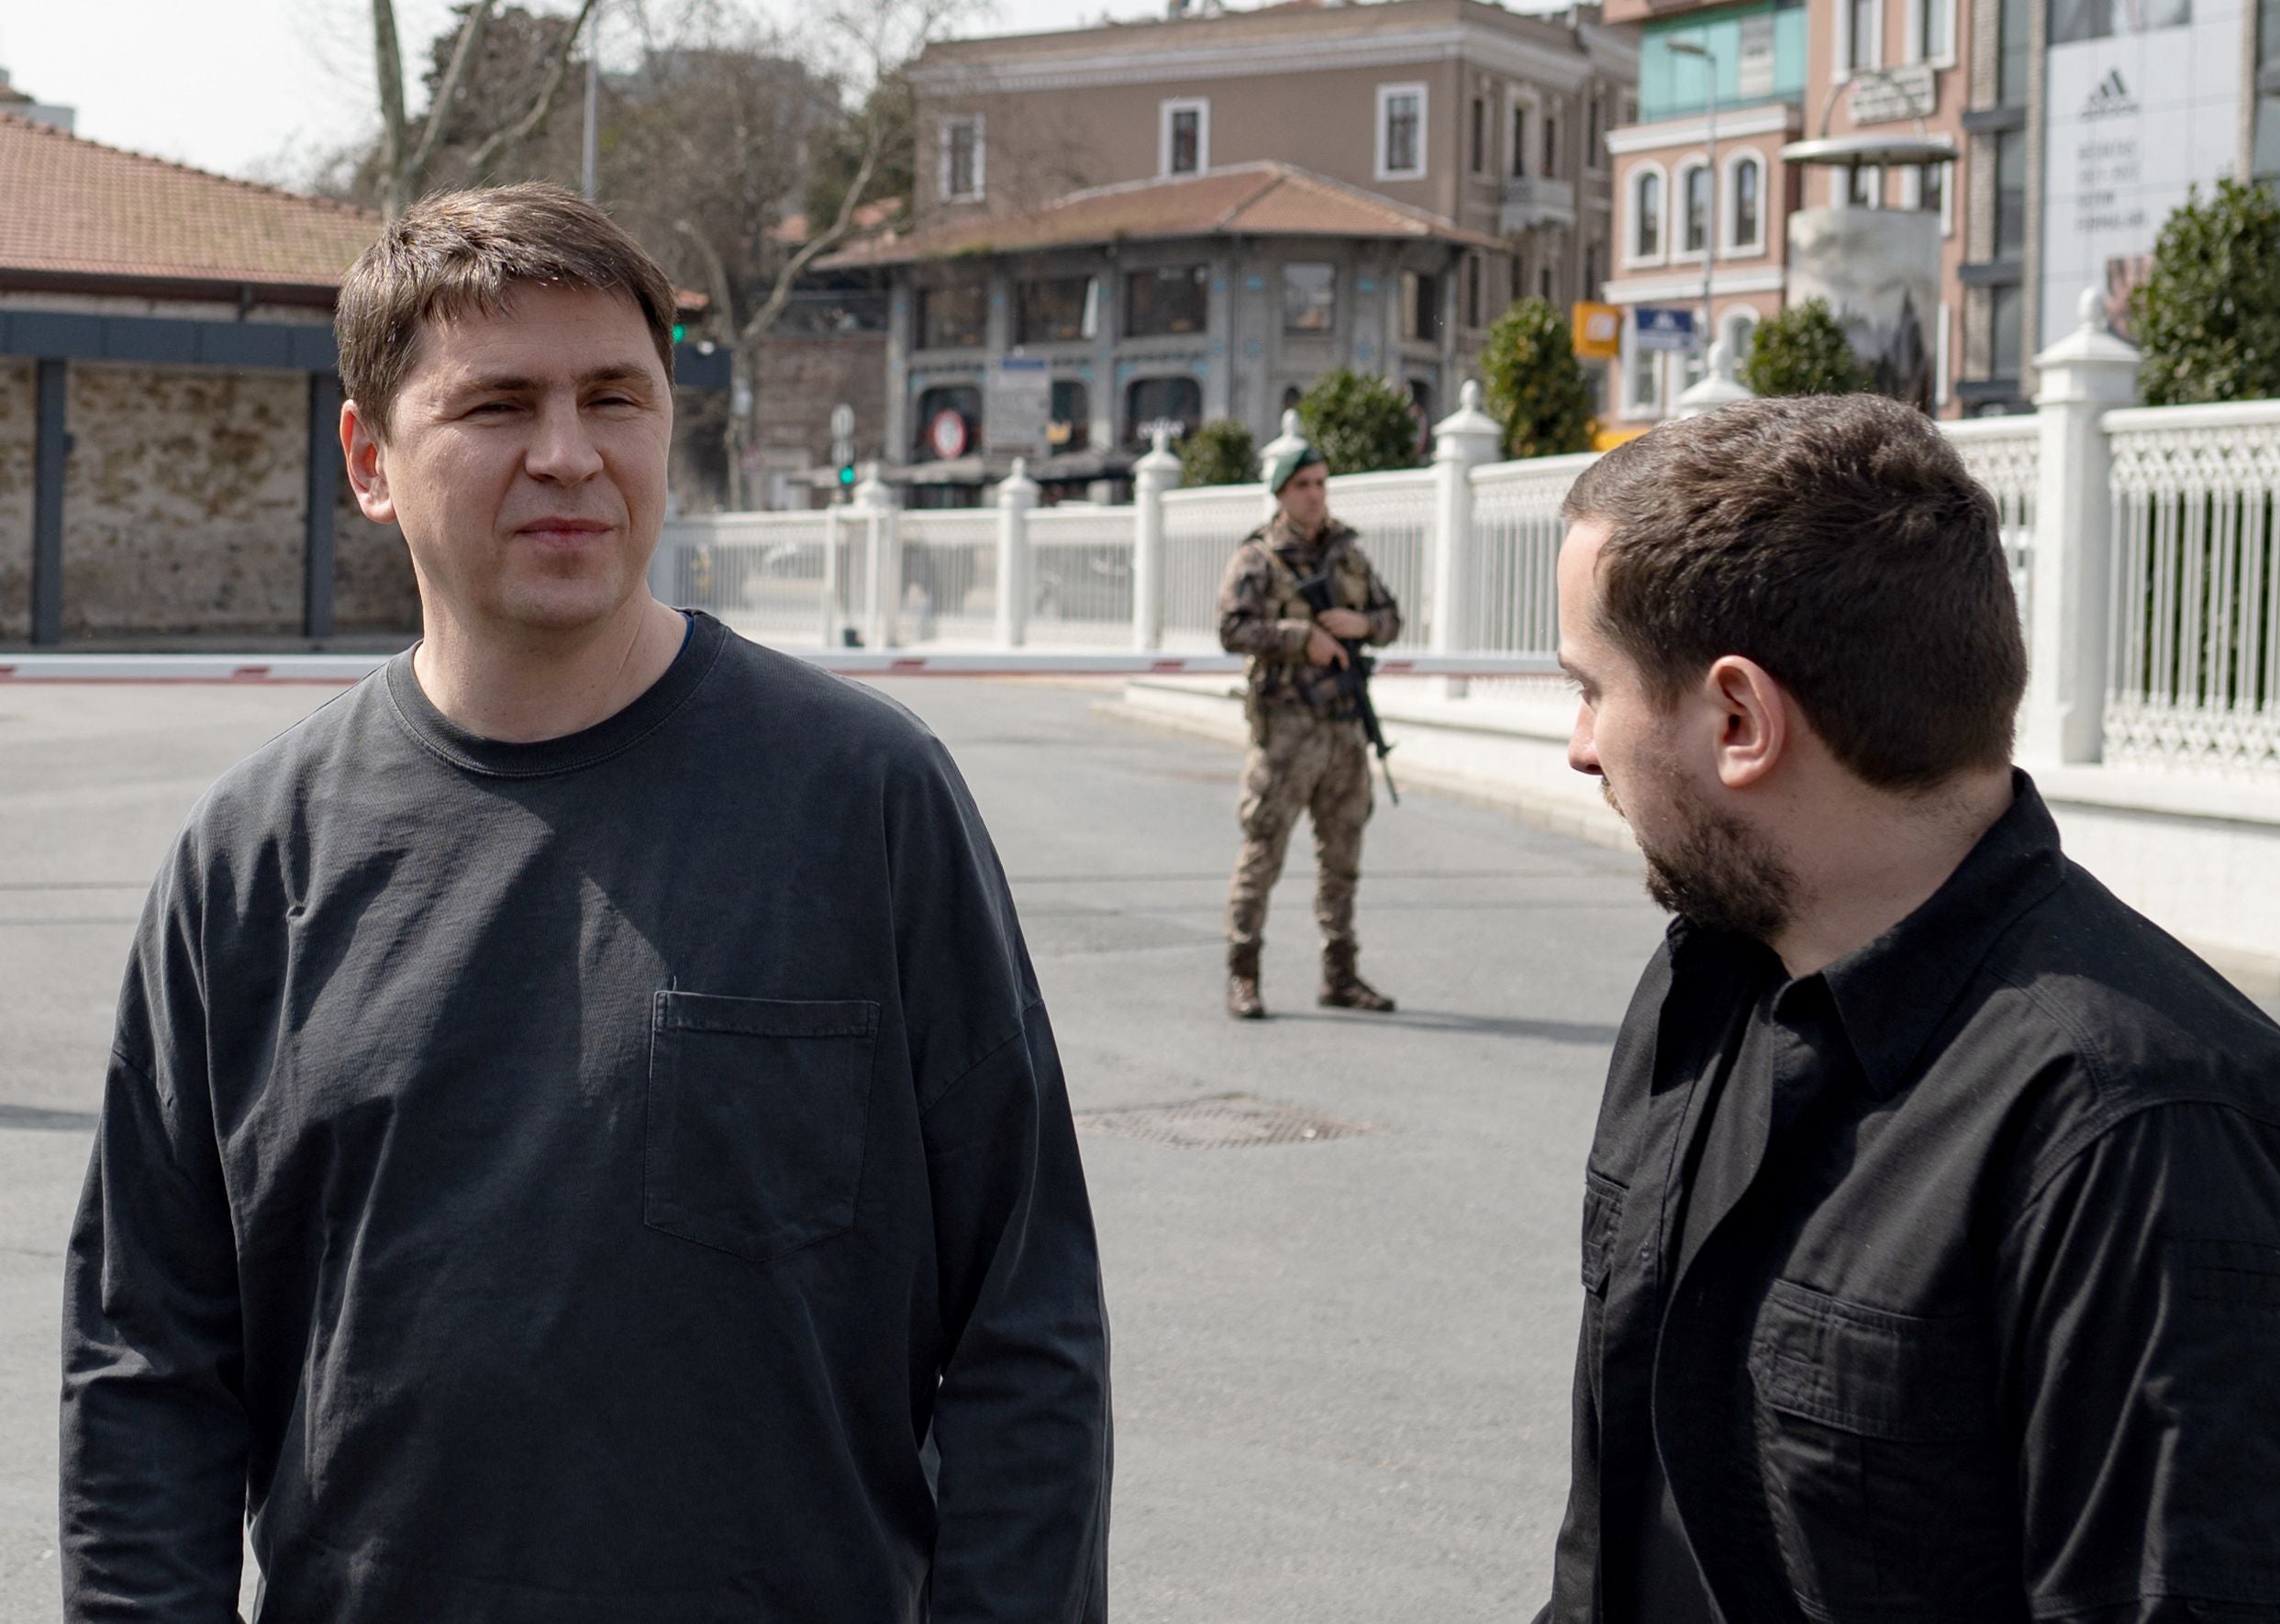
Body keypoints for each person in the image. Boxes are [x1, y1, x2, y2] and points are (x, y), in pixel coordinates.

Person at [59, 184, 1112, 1623]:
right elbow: (146, 1374)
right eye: (498, 408)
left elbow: (1025, 1329)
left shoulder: (865, 803)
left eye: (613, 396)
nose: (568, 454)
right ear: (369, 458)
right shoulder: (251, 865)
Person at [1538, 395, 2280, 1622]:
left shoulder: (2153, 1145)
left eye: (1591, 688)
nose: (1578, 744)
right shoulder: (1702, 992)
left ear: (1737, 719)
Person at [1216, 432, 1400, 1019]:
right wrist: (1303, 640)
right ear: (1281, 494)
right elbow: (1232, 629)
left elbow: (1392, 618)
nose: (1316, 495)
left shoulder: (1348, 554)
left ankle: (1340, 975)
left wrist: (1360, 623)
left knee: (1342, 855)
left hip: (1344, 728)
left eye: (1321, 484)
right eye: (1303, 486)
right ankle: (1243, 974)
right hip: (1288, 731)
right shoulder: (1258, 558)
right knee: (1263, 849)